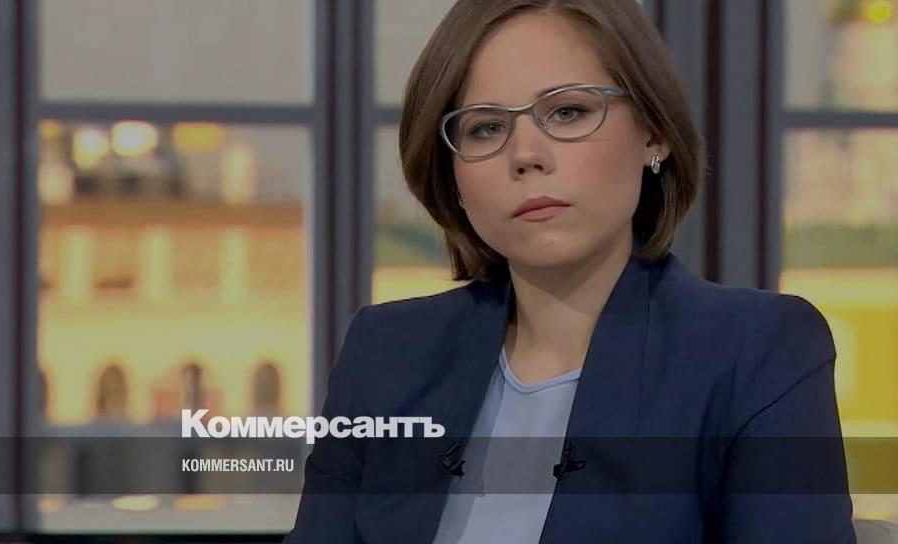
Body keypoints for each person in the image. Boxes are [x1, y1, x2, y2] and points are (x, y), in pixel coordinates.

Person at [286, 0, 855, 542]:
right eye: (485, 128)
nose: (526, 155)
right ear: (451, 174)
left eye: (567, 112)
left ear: (653, 132)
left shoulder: (757, 353)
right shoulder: (384, 354)